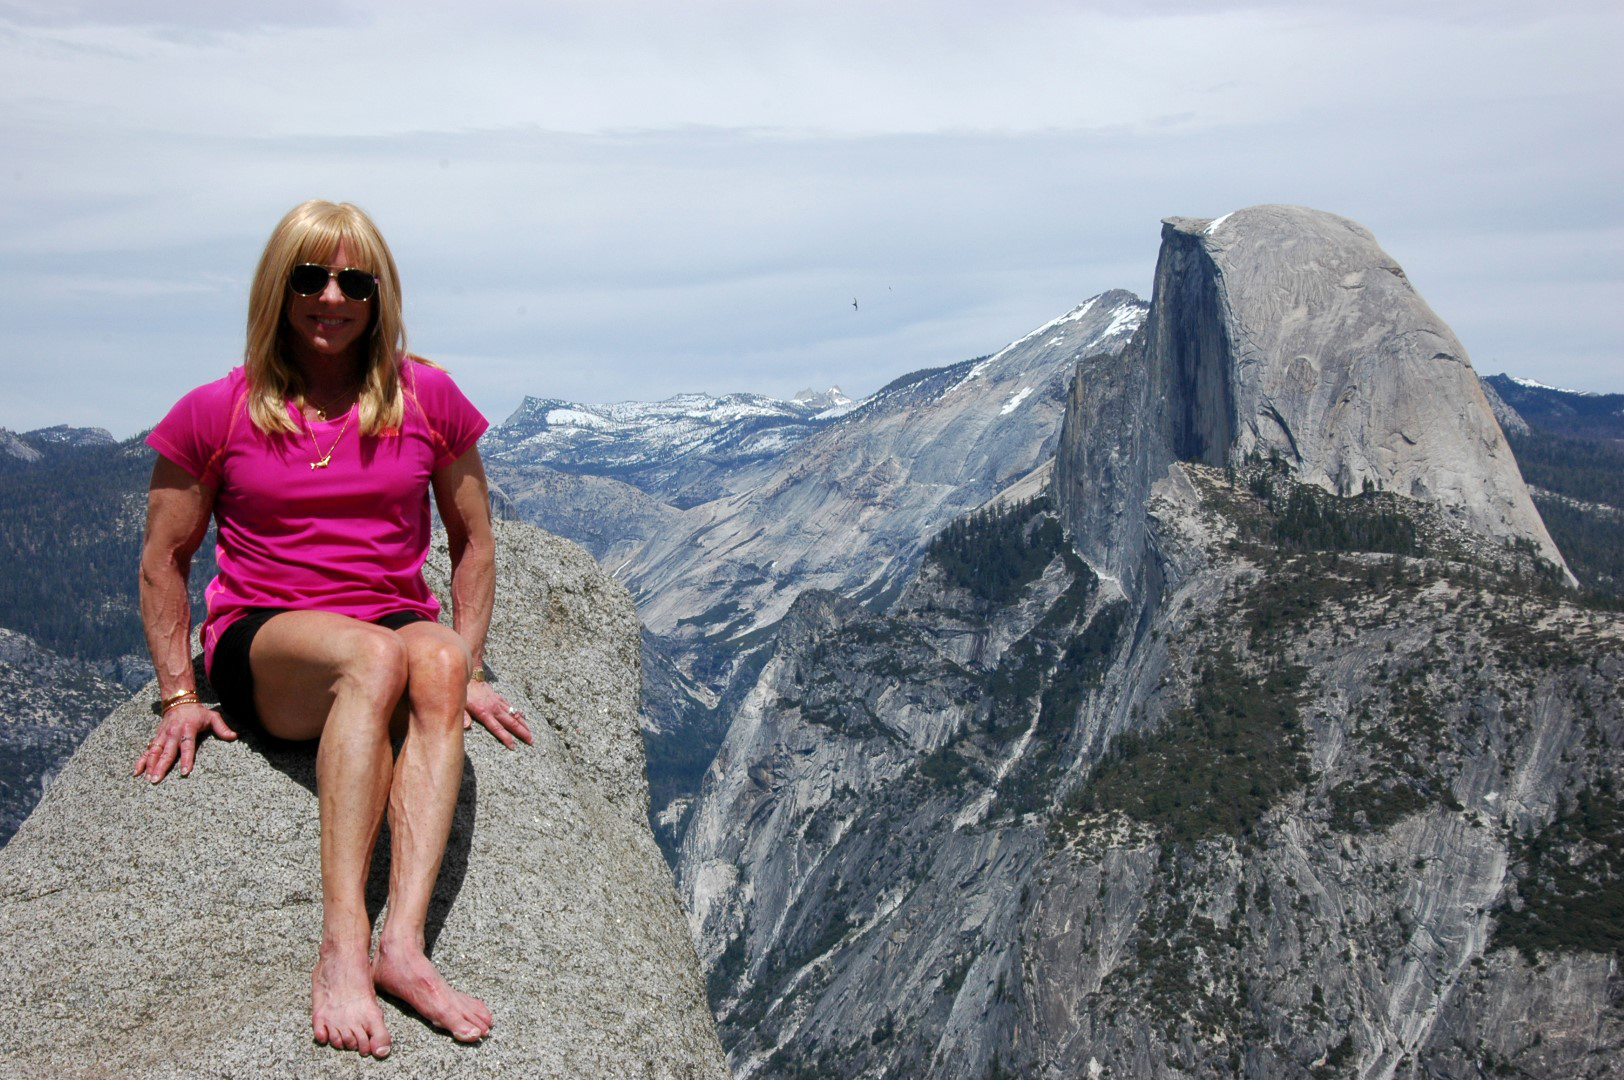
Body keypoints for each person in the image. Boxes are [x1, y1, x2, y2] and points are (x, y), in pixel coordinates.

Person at [134, 199, 534, 1059]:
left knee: (432, 661)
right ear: (278, 288)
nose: (332, 297)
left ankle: (403, 949)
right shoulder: (216, 410)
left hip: (389, 617)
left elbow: (473, 541)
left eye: (355, 282)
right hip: (268, 633)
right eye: (311, 277)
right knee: (376, 656)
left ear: (379, 295)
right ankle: (343, 947)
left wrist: (470, 662)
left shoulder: (427, 398)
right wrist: (178, 695)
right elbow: (164, 558)